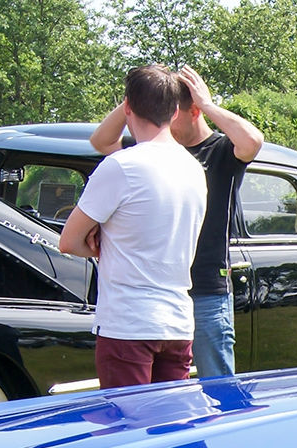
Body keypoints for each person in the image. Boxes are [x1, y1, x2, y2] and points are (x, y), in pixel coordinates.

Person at [91, 65, 263, 379]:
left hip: (206, 290)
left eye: (173, 111)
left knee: (218, 387)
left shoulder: (221, 151)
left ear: (194, 111)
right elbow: (102, 142)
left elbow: (251, 141)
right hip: (158, 297)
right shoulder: (151, 150)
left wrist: (209, 104)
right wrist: (139, 97)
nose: (165, 119)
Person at [60, 65, 206, 389]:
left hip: (127, 324)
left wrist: (99, 245)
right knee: (173, 428)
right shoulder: (194, 169)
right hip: (178, 323)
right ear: (175, 110)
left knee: (127, 430)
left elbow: (68, 242)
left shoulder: (120, 166)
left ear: (127, 107)